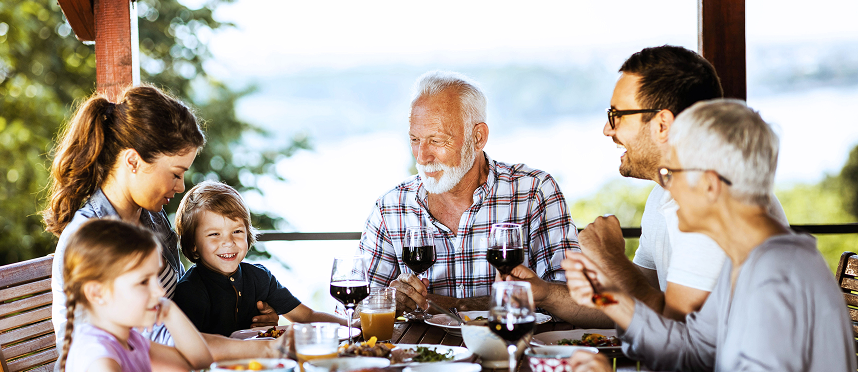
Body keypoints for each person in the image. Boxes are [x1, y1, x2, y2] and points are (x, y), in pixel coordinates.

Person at [565, 99, 856, 371]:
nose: (666, 188)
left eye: (670, 174)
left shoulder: (776, 277)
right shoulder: (745, 258)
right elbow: (695, 350)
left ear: (709, 185)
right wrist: (608, 297)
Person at [43, 85, 282, 361]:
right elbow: (161, 343)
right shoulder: (94, 237)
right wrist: (266, 347)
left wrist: (246, 320)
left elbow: (182, 306)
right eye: (175, 174)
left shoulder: (151, 217)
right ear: (133, 161)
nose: (181, 187)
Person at [359, 70, 609, 327]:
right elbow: (354, 310)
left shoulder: (534, 191)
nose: (422, 156)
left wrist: (451, 305)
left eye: (436, 140)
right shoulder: (391, 207)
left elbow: (576, 301)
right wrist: (388, 300)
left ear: (478, 137)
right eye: (415, 140)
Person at [562, 45, 787, 320]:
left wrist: (611, 260)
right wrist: (545, 294)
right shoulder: (663, 195)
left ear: (662, 125)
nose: (608, 129)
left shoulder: (716, 206)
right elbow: (637, 303)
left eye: (617, 115)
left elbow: (678, 332)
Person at [173, 181, 345, 336]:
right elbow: (191, 345)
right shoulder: (190, 290)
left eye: (237, 231)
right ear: (193, 243)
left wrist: (353, 326)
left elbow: (307, 316)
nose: (228, 242)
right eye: (214, 234)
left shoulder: (260, 277)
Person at [58, 219, 213, 372]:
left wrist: (170, 311)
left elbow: (199, 362)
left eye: (156, 277)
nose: (160, 291)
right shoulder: (99, 359)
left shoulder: (128, 339)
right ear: (97, 293)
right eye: (144, 281)